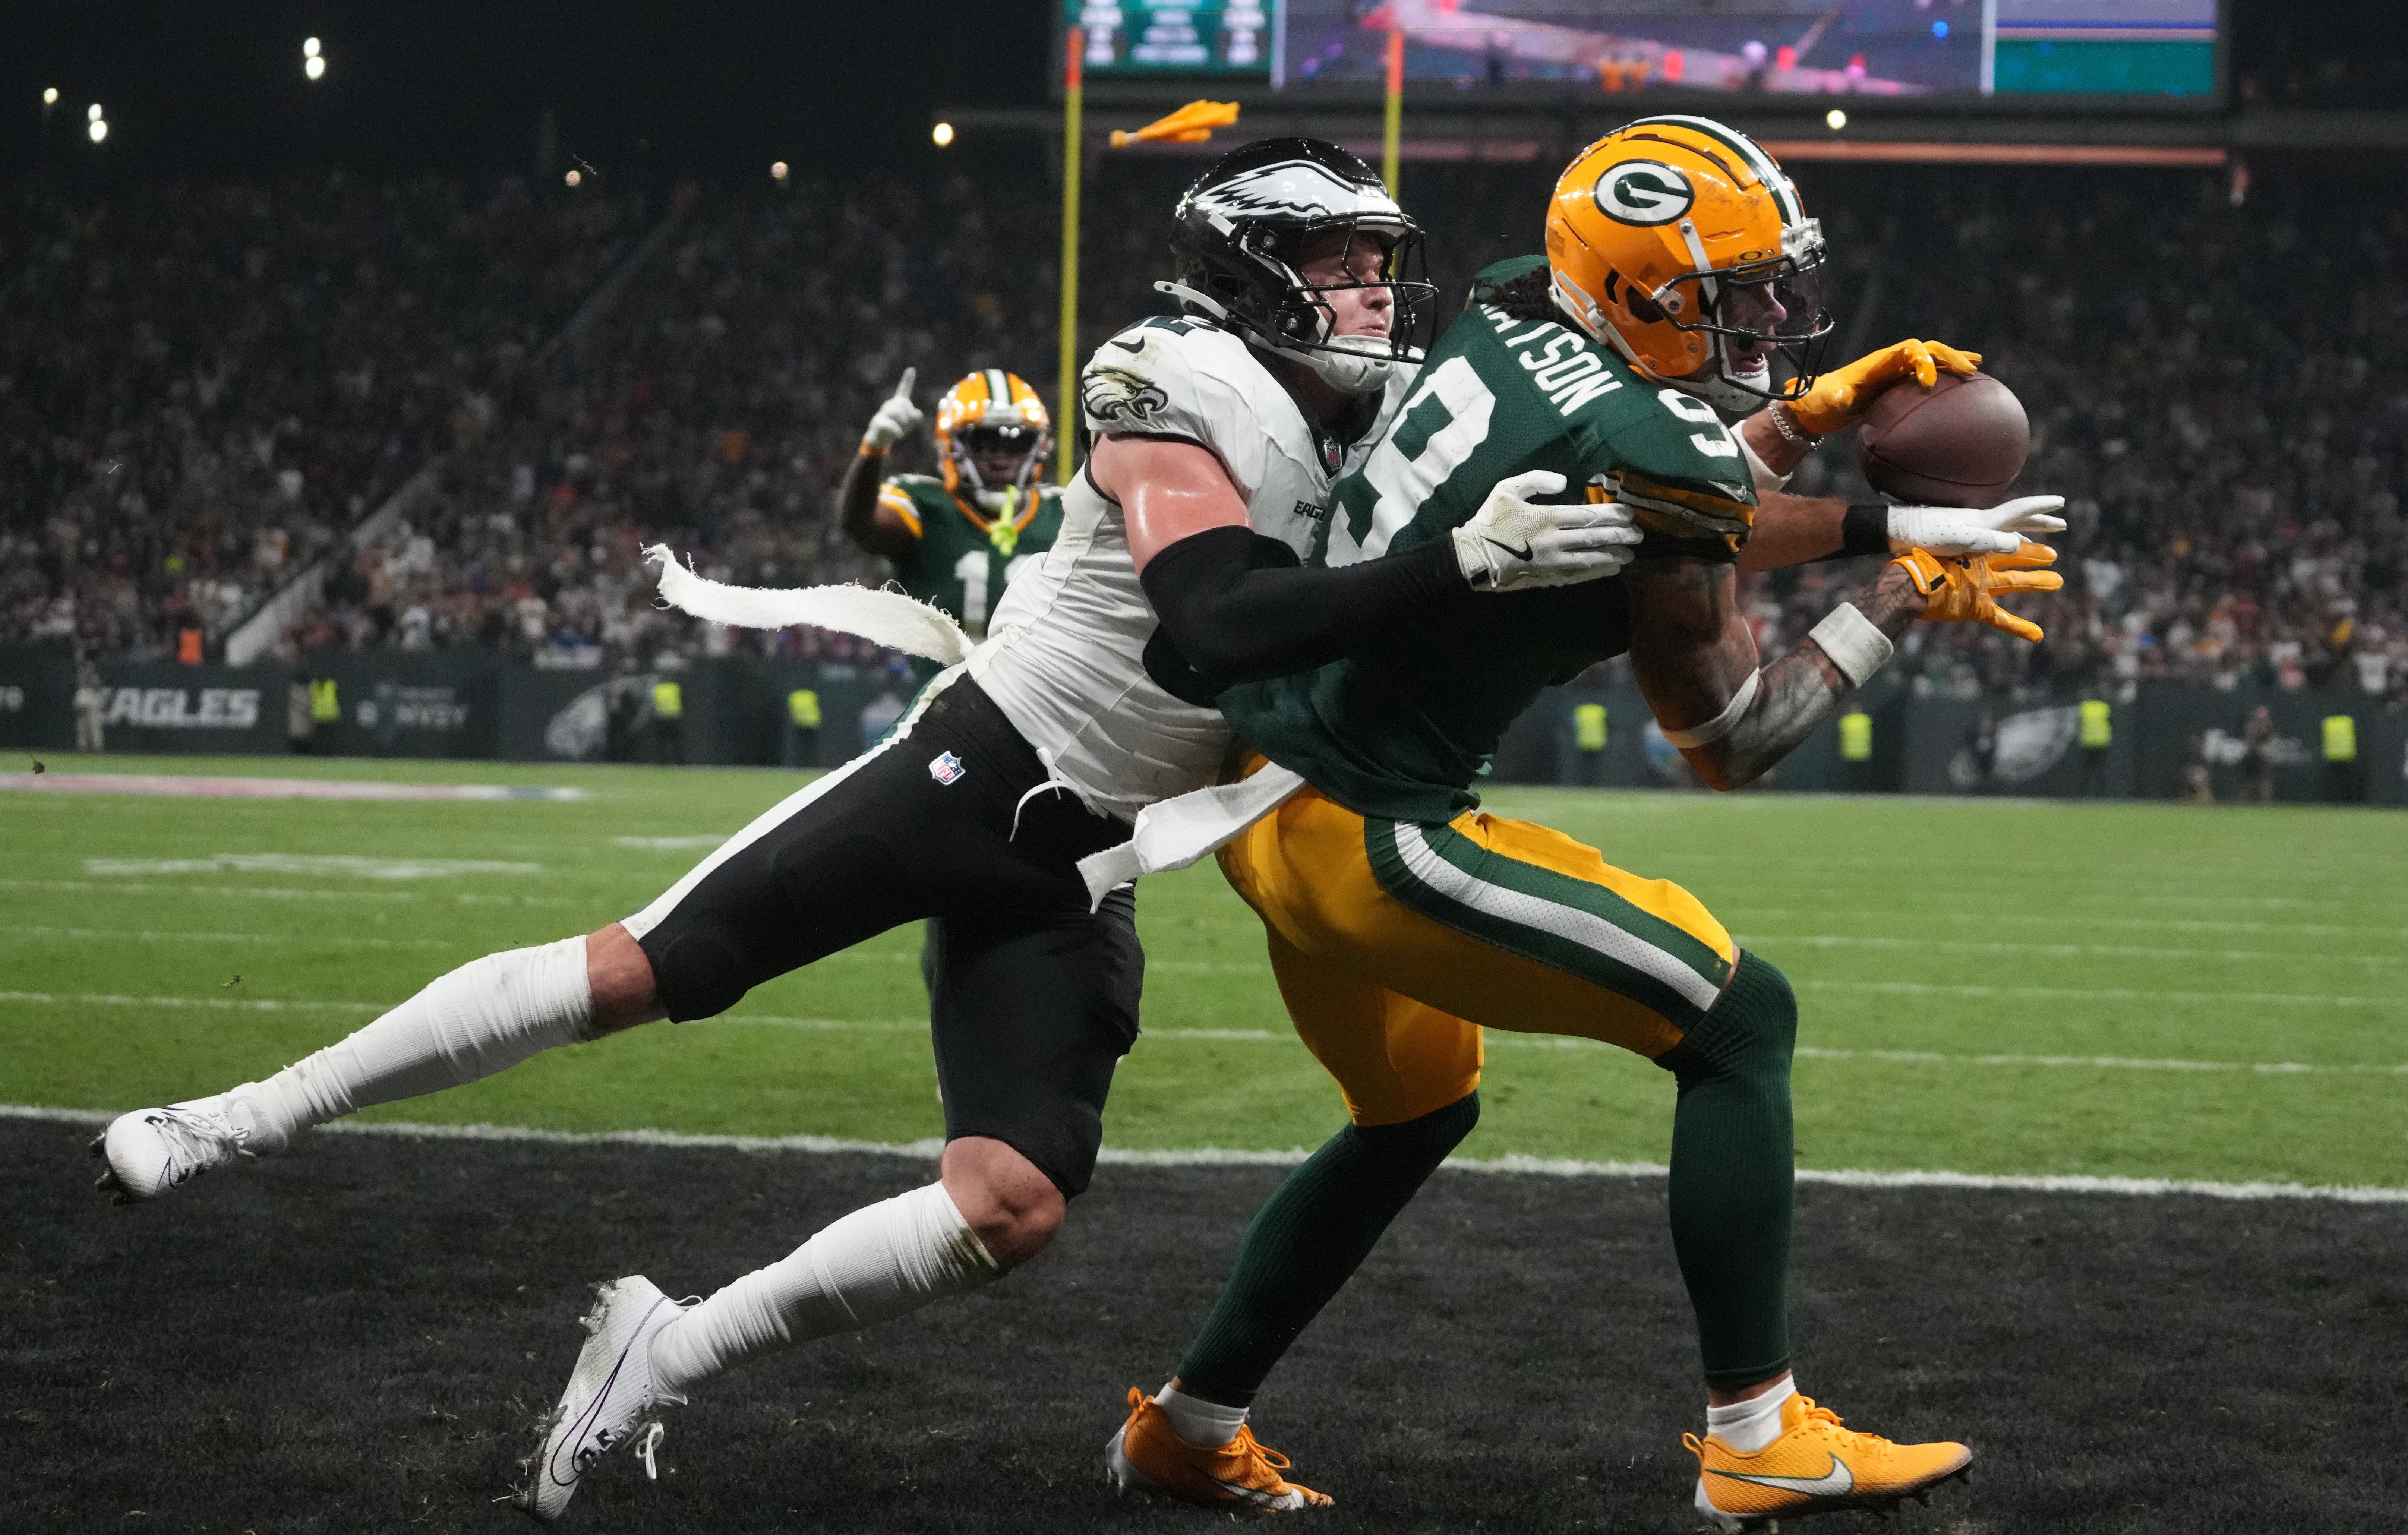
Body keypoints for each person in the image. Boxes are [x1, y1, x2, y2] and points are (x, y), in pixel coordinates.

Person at [87, 137, 1637, 1525]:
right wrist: (1458, 571)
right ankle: (223, 1118)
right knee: (642, 971)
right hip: (974, 770)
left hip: (1082, 865)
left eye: (1381, 263)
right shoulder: (1172, 371)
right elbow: (1220, 618)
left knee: (1012, 1204)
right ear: (1253, 269)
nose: (1375, 289)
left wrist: (1820, 506)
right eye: (1341, 262)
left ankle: (662, 1347)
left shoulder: (1368, 428)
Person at [1101, 118, 2060, 1532]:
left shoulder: (1505, 304)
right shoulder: (1651, 433)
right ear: (1642, 293)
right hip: (1383, 837)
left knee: (1411, 1109)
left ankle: (1190, 1424)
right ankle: (1757, 1434)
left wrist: (1839, 482)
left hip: (1262, 801)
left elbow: (1669, 485)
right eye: (1738, 294)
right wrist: (1888, 602)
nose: (1773, 320)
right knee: (1740, 1023)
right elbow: (1736, 739)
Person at [833, 368, 1066, 692]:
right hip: (939, 708)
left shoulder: (1065, 512)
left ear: (1040, 445)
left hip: (1042, 708)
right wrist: (873, 451)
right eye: (984, 443)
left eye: (1017, 442)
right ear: (949, 444)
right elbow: (861, 525)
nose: (1001, 460)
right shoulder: (925, 503)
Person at [74, 663, 107, 753]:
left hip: (94, 699)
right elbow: (78, 704)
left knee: (95, 726)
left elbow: (99, 693)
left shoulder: (95, 679)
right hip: (85, 700)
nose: (88, 671)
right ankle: (83, 748)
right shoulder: (82, 680)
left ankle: (97, 748)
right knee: (82, 727)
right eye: (86, 669)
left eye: (90, 669)